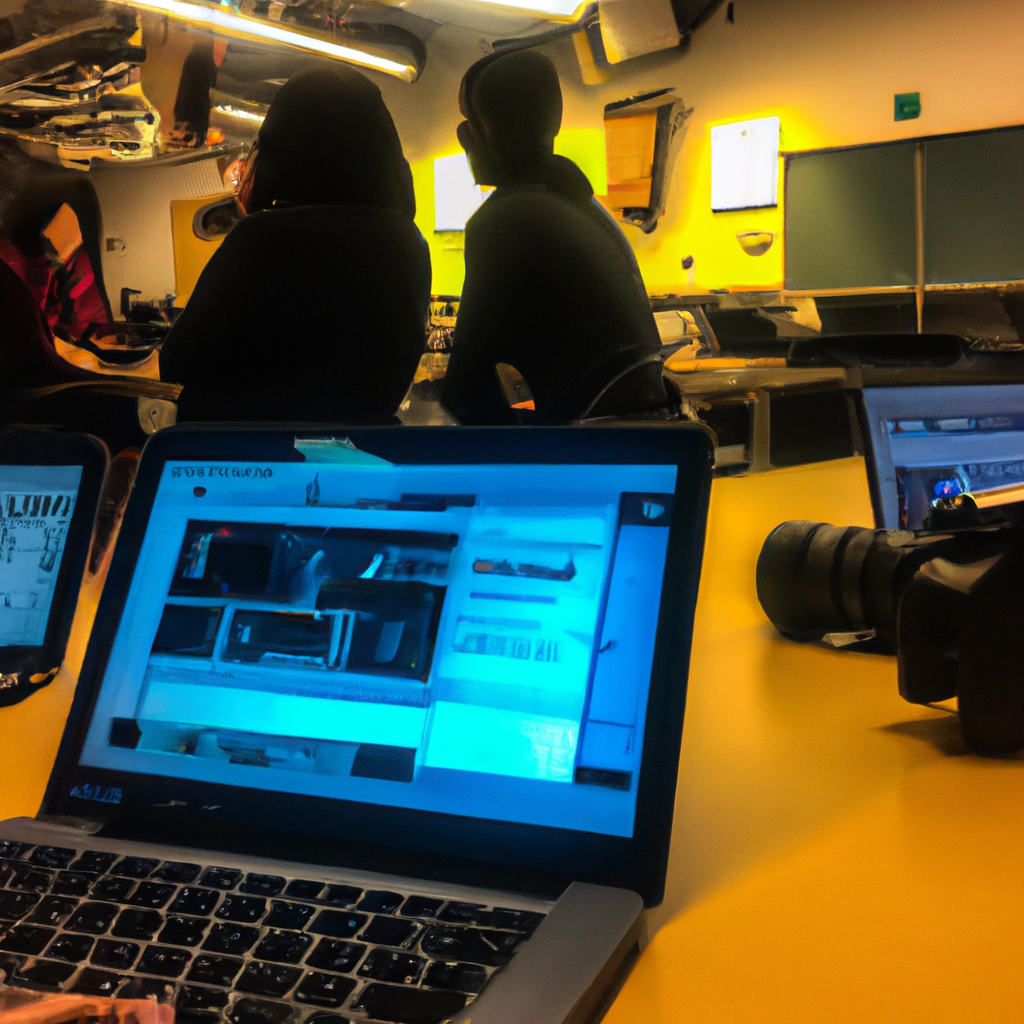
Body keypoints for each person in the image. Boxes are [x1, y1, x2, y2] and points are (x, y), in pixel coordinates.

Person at [160, 66, 431, 423]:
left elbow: (177, 366)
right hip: (359, 450)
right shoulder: (408, 245)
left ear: (277, 155)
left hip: (246, 450)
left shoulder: (261, 240)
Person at [440, 49, 665, 426]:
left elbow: (468, 394)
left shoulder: (505, 218)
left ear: (481, 133)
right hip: (628, 437)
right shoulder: (586, 205)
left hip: (575, 447)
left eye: (470, 123)